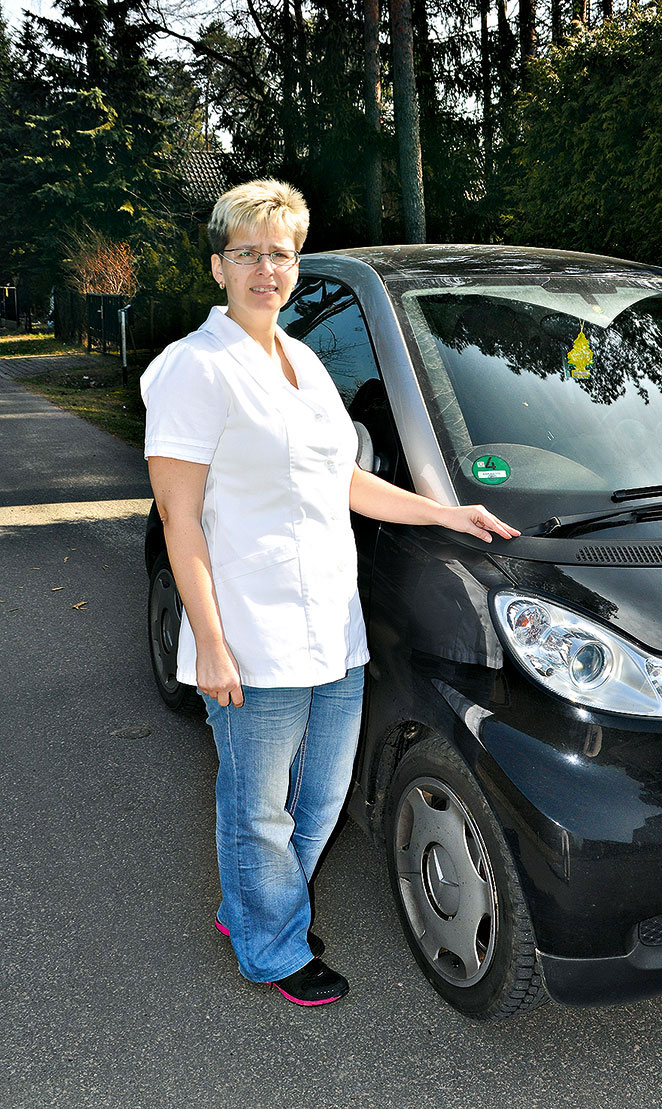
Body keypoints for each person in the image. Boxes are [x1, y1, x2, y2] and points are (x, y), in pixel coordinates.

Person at [140, 179, 519, 1007]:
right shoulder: (194, 370)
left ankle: (252, 906)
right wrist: (207, 638)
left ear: (296, 265)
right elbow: (180, 521)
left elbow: (345, 479)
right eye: (247, 253)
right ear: (218, 265)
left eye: (279, 254)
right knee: (259, 807)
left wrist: (446, 512)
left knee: (320, 796)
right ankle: (269, 948)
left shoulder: (305, 364)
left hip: (331, 630)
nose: (264, 268)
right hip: (249, 633)